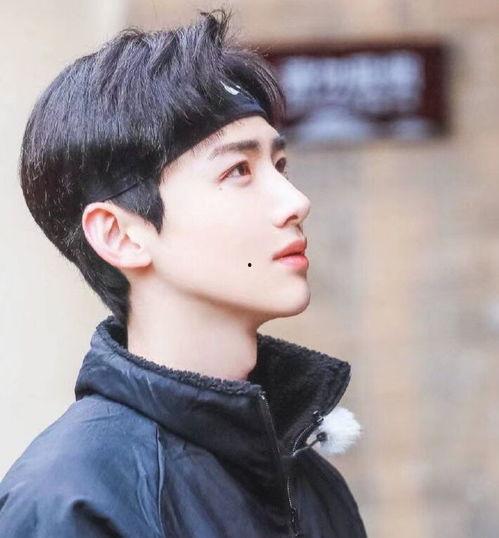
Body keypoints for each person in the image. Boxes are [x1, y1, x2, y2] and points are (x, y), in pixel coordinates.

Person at [0, 7, 367, 537]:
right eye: (237, 170)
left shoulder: (310, 482)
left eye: (280, 165)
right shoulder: (72, 502)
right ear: (120, 234)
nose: (295, 201)